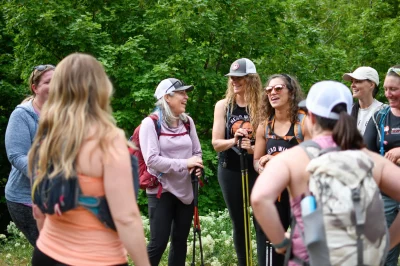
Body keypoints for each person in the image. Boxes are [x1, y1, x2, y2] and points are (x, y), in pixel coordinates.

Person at [251, 80, 400, 266]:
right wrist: (386, 243)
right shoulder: (371, 160)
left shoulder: (292, 158)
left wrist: (281, 242)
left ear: (311, 117)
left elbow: (259, 198)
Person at [28, 53, 149, 266]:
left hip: (46, 253)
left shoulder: (47, 137)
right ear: (100, 89)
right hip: (98, 259)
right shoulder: (107, 141)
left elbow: (39, 211)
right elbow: (126, 218)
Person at [140, 78, 203, 266]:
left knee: (179, 242)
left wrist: (197, 167)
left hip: (186, 191)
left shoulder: (188, 122)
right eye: (182, 93)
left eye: (186, 93)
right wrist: (185, 163)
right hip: (162, 191)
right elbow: (151, 160)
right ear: (167, 97)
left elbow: (197, 152)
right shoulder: (150, 124)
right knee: (158, 243)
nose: (186, 97)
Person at [212, 58, 265, 265]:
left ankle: (264, 261)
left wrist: (252, 149)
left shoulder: (263, 105)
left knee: (261, 219)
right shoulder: (224, 106)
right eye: (232, 78)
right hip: (230, 169)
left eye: (239, 78)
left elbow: (269, 140)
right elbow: (216, 143)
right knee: (239, 222)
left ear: (251, 79)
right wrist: (233, 140)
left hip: (256, 169)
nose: (234, 81)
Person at [253, 74, 309, 266]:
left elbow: (314, 158)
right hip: (274, 198)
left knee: (299, 251)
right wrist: (262, 166)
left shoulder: (305, 122)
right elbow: (256, 160)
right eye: (269, 90)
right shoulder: (265, 126)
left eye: (278, 88)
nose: (272, 93)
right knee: (270, 253)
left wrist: (277, 160)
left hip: (299, 197)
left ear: (291, 92)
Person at [4, 64, 55, 246]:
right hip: (25, 199)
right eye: (48, 82)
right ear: (35, 88)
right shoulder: (22, 115)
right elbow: (16, 155)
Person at [364, 65, 400, 266]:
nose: (388, 94)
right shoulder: (380, 116)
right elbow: (365, 152)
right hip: (386, 196)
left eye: (394, 89)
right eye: (385, 89)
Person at [343, 66, 385, 135]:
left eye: (357, 81)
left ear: (371, 85)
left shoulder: (383, 111)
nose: (352, 85)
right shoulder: (348, 111)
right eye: (352, 81)